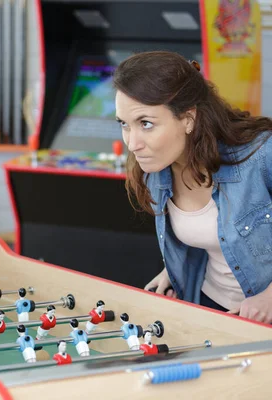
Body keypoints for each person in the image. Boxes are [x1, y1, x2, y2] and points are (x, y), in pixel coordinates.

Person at [112, 51, 272, 324]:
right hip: (211, 305)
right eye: (124, 125)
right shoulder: (155, 170)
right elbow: (210, 238)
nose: (132, 143)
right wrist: (172, 272)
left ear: (188, 119)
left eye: (146, 124)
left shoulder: (261, 154)